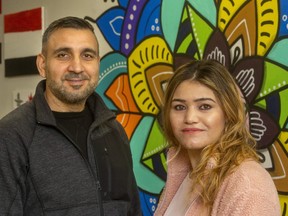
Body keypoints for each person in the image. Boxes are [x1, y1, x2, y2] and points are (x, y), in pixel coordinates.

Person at [0, 16, 141, 216]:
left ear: (97, 64)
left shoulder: (113, 129)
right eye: (63, 55)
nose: (77, 67)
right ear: (42, 65)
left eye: (87, 55)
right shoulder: (12, 135)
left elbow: (131, 209)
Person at [154, 60, 280, 215]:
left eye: (205, 106)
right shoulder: (184, 173)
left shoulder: (249, 183)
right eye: (179, 107)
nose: (190, 118)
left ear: (228, 113)